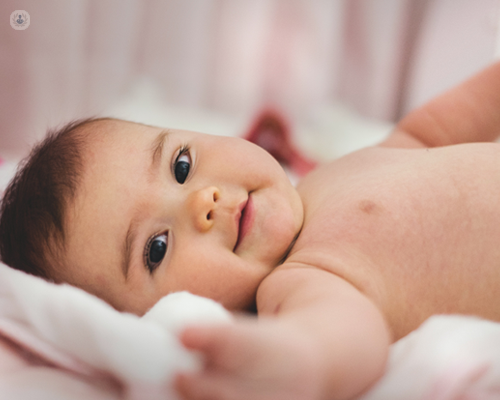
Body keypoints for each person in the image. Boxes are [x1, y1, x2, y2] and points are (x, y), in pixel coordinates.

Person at [3, 61, 500, 400]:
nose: (203, 202)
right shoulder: (301, 279)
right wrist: (297, 360)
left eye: (180, 165)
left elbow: (430, 132)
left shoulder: (331, 175)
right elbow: (344, 336)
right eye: (156, 248)